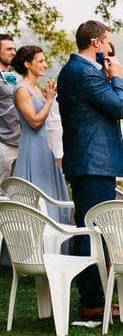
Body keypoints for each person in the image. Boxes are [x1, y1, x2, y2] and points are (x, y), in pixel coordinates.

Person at [57, 20, 123, 321]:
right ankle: (92, 300)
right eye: (107, 40)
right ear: (97, 43)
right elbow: (120, 107)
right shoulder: (85, 72)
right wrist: (118, 78)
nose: (109, 46)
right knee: (91, 230)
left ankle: (94, 295)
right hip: (92, 162)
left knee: (91, 228)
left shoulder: (76, 71)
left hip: (89, 161)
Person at [10, 46, 69, 221]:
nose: (45, 65)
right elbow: (34, 122)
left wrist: (46, 99)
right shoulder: (22, 90)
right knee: (36, 197)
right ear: (28, 64)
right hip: (31, 148)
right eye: (40, 61)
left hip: (45, 147)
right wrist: (49, 100)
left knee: (50, 196)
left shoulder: (36, 90)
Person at [0, 33, 21, 183]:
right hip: (2, 144)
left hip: (20, 142)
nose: (13, 52)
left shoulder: (15, 76)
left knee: (15, 194)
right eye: (8, 49)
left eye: (14, 48)